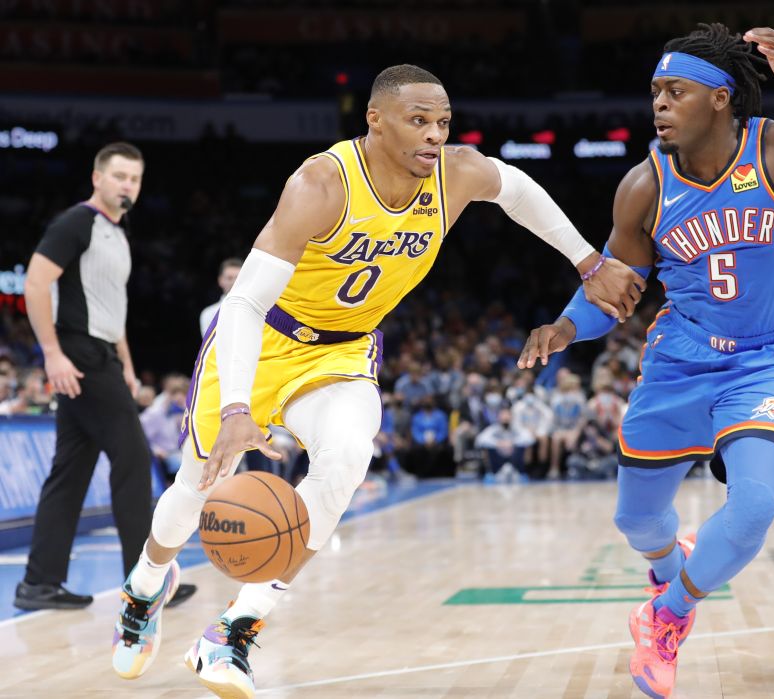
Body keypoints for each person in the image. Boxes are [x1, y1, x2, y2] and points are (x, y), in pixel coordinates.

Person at [110, 64, 643, 696]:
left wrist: (588, 262)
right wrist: (233, 411)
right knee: (191, 493)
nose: (433, 136)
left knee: (346, 462)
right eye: (418, 121)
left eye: (442, 123)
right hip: (260, 342)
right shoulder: (321, 183)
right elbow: (245, 306)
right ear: (375, 120)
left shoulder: (455, 174)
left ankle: (233, 632)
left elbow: (519, 189)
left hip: (341, 355)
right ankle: (146, 586)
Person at [518, 24, 774, 697]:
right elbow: (615, 289)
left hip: (766, 363)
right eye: (656, 91)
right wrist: (563, 327)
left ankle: (667, 614)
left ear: (721, 98)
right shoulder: (644, 184)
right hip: (678, 363)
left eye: (676, 91)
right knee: (635, 521)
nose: (658, 104)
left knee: (750, 510)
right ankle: (670, 570)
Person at [14, 143, 195, 611]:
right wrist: (51, 353)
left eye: (134, 179)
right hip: (79, 354)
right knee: (134, 460)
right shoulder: (77, 222)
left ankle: (39, 583)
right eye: (119, 177)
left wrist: (128, 367)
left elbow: (114, 310)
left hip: (102, 356)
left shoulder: (118, 233)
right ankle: (145, 581)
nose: (127, 186)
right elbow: (35, 282)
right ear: (97, 178)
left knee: (70, 474)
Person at [199, 257, 243, 337]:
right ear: (220, 280)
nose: (234, 282)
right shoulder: (209, 313)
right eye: (230, 278)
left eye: (238, 278)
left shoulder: (256, 310)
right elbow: (211, 346)